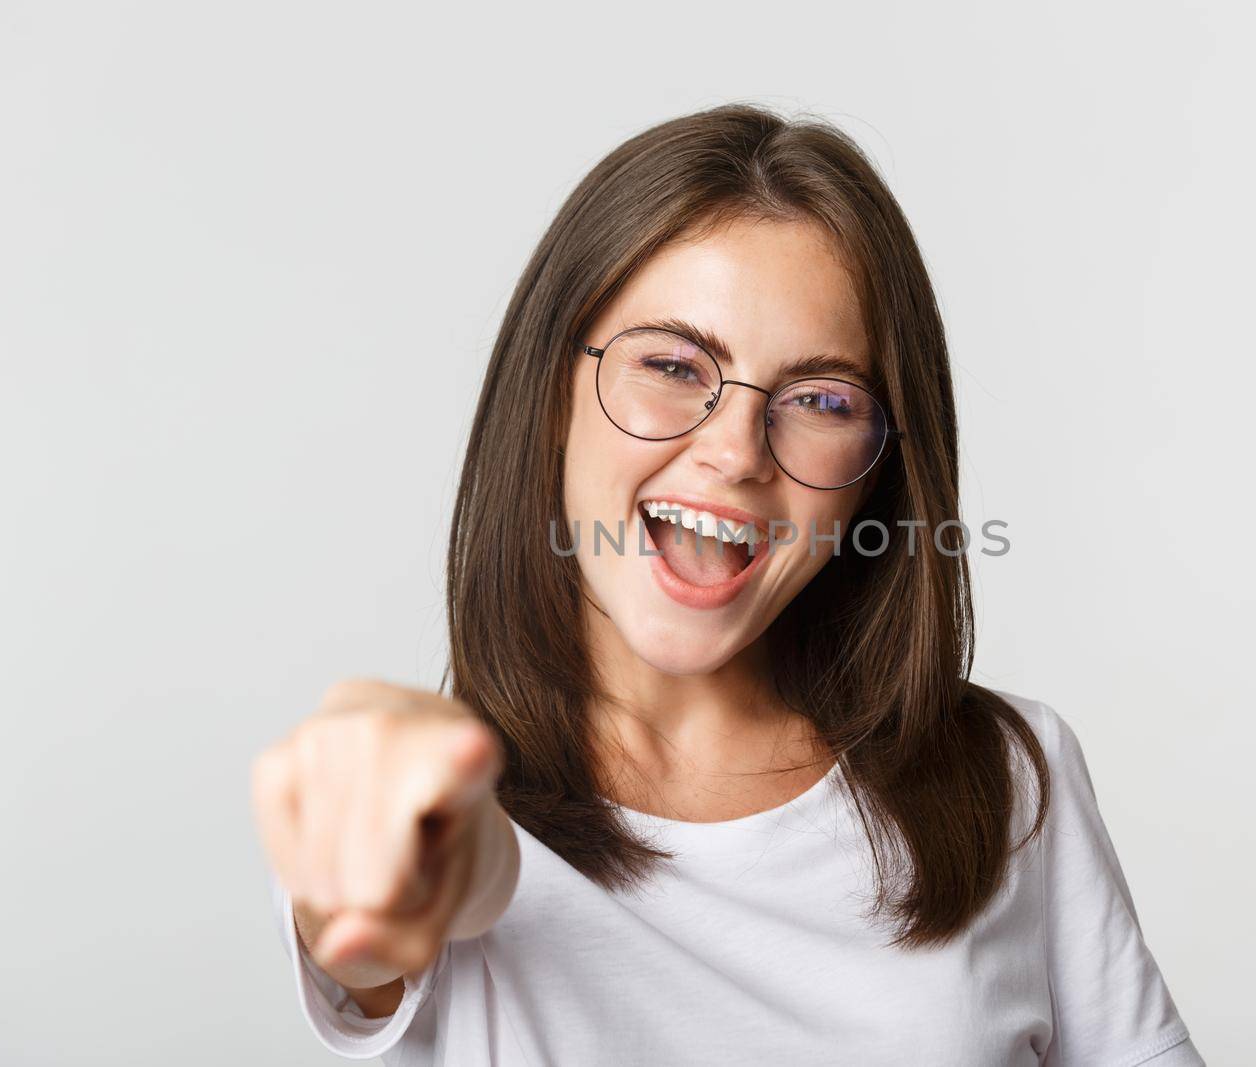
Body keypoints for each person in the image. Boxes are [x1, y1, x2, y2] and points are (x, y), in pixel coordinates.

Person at [251, 102, 1205, 1066]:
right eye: (671, 363)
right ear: (550, 397)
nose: (736, 451)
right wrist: (384, 882)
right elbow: (401, 910)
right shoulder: (438, 810)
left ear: (880, 467)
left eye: (821, 400)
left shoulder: (1008, 775)